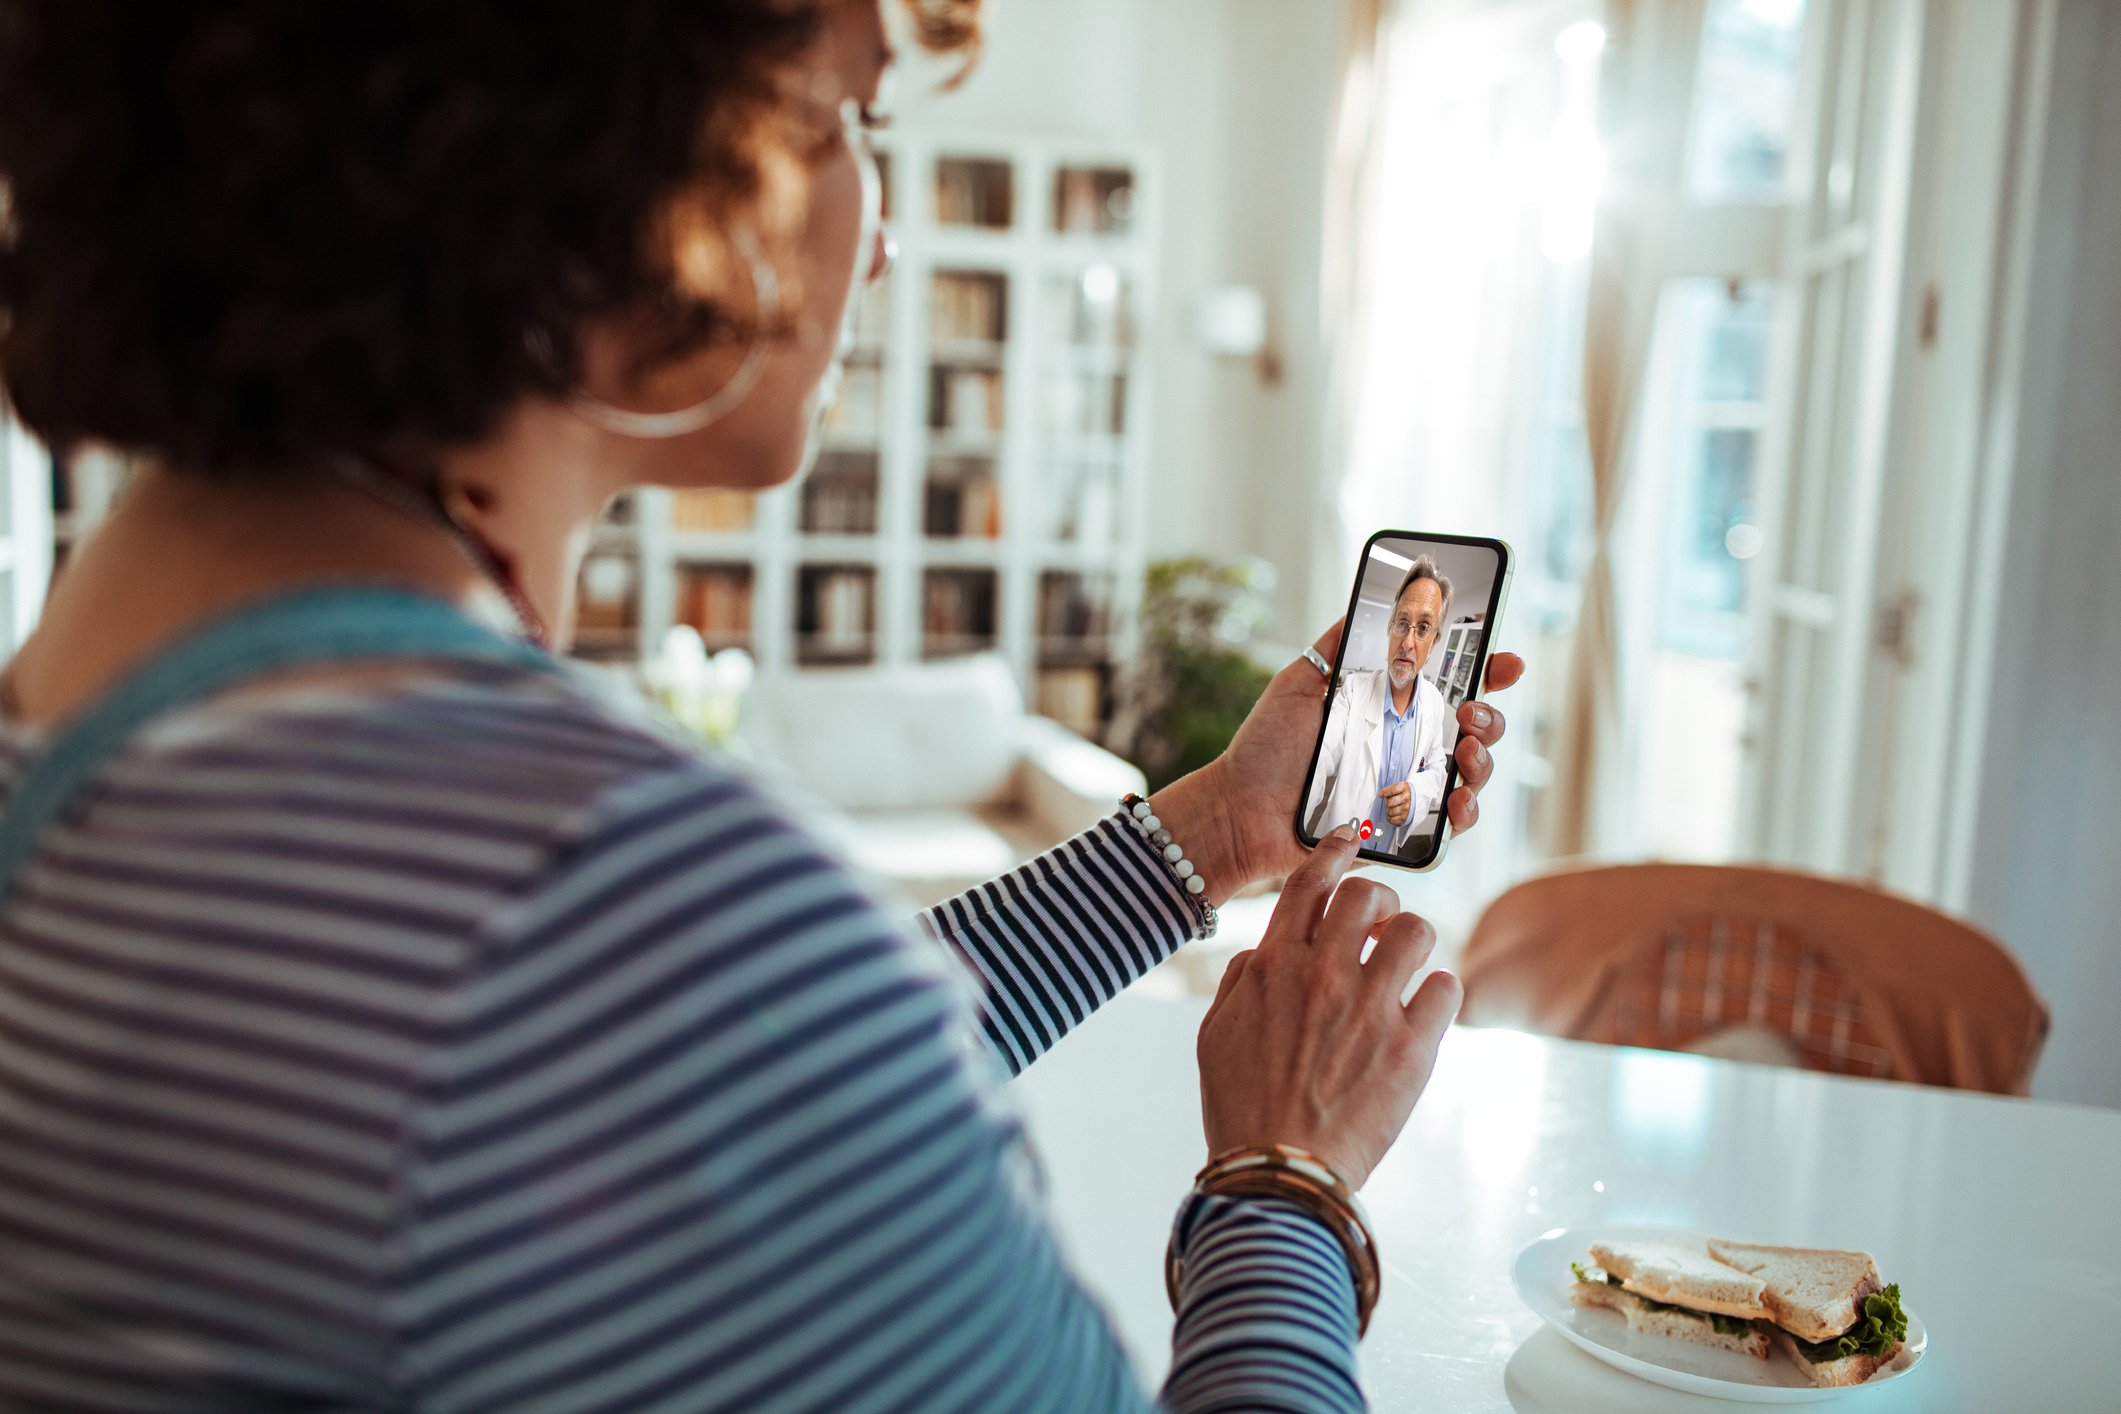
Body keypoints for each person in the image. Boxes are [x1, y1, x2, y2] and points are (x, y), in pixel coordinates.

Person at [0, 2, 1523, 1409]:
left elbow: (739, 1111)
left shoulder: (105, 715)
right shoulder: (596, 898)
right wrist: (1287, 1178)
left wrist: (1209, 833)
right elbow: (704, 1025)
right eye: (841, 115)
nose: (882, 243)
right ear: (594, 153)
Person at [1303, 557, 1461, 855]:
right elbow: (1320, 758)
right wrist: (1290, 820)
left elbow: (1438, 766)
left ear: (1435, 641)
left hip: (1386, 855)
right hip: (1336, 850)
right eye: (1402, 624)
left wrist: (1415, 795)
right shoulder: (1353, 691)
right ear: (1390, 629)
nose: (1407, 642)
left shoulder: (1434, 701)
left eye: (1423, 628)